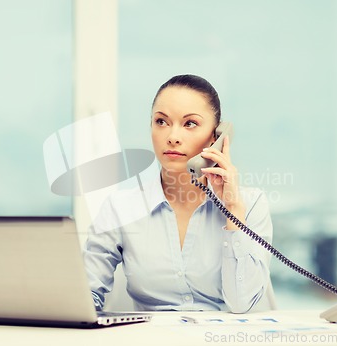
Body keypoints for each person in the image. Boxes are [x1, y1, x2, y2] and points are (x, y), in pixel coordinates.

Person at [83, 74, 273, 313]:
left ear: (217, 136)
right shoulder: (120, 207)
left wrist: (233, 210)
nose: (172, 137)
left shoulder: (250, 204)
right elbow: (84, 295)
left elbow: (243, 304)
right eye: (161, 122)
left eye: (190, 123)